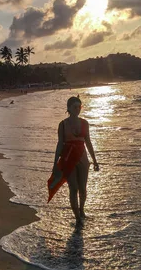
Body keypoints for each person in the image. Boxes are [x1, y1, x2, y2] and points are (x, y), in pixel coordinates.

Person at [48, 96, 98, 227]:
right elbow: (60, 144)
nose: (77, 109)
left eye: (79, 107)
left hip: (83, 158)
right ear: (68, 108)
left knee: (82, 188)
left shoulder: (84, 123)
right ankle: (77, 218)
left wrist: (95, 160)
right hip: (68, 158)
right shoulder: (63, 124)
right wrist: (55, 163)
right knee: (73, 188)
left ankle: (82, 210)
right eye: (75, 107)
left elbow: (88, 142)